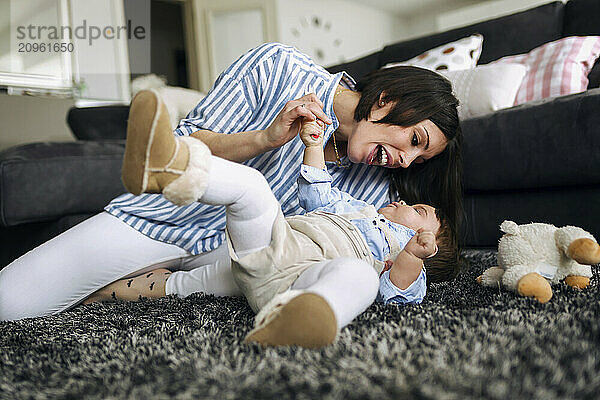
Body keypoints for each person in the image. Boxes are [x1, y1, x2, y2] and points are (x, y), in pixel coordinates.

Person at [0, 42, 461, 322]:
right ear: (387, 99)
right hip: (163, 218)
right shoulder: (277, 67)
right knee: (9, 303)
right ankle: (135, 277)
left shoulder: (378, 191)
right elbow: (186, 142)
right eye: (415, 140)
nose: (406, 162)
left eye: (420, 158)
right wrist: (264, 139)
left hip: (236, 264)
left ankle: (157, 285)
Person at [84, 110, 459, 348]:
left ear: (426, 245)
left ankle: (301, 318)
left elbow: (396, 295)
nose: (406, 203)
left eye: (419, 211)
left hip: (299, 280)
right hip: (273, 244)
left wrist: (412, 256)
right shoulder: (359, 210)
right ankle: (168, 165)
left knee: (358, 275)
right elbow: (317, 194)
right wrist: (313, 145)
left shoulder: (401, 258)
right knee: (252, 188)